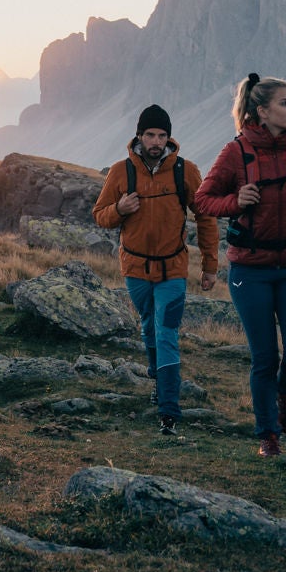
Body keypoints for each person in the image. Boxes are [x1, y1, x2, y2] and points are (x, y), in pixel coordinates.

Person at [194, 74, 286, 457]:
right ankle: (268, 437)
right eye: (285, 103)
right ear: (262, 111)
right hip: (250, 270)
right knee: (264, 358)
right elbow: (203, 199)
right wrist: (236, 201)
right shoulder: (236, 152)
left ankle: (285, 391)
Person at [93, 104, 219, 435]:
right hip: (135, 267)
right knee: (149, 327)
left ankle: (168, 411)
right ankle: (156, 375)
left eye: (162, 136)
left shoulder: (185, 171)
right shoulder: (120, 172)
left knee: (166, 333)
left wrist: (210, 265)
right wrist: (120, 209)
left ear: (169, 138)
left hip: (173, 269)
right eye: (150, 135)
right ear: (139, 136)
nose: (156, 142)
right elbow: (100, 215)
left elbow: (205, 216)